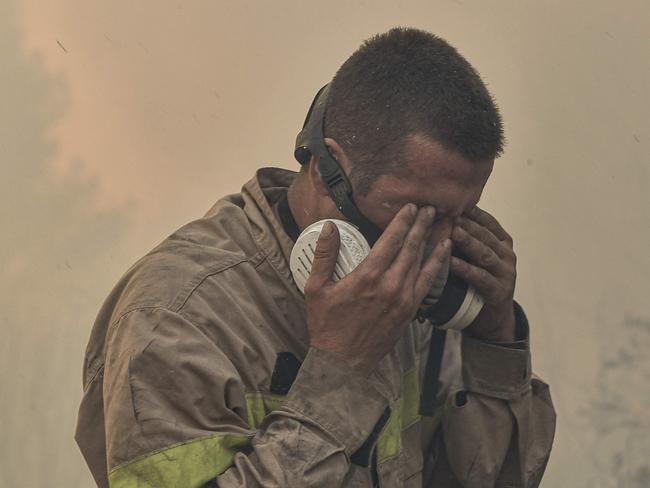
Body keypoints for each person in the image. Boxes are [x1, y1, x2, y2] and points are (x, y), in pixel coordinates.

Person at [76, 27, 556, 487]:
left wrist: (494, 338)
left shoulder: (414, 298)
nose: (438, 243)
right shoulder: (176, 318)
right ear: (330, 174)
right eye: (417, 212)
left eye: (462, 215)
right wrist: (338, 372)